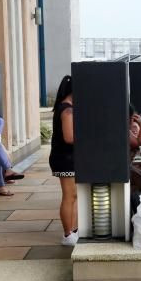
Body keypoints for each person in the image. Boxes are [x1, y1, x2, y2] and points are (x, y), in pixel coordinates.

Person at [49, 76, 78, 246]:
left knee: (73, 195)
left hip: (66, 157)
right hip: (65, 158)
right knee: (69, 196)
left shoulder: (66, 108)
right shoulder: (67, 110)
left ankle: (73, 230)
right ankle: (68, 234)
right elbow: (69, 137)